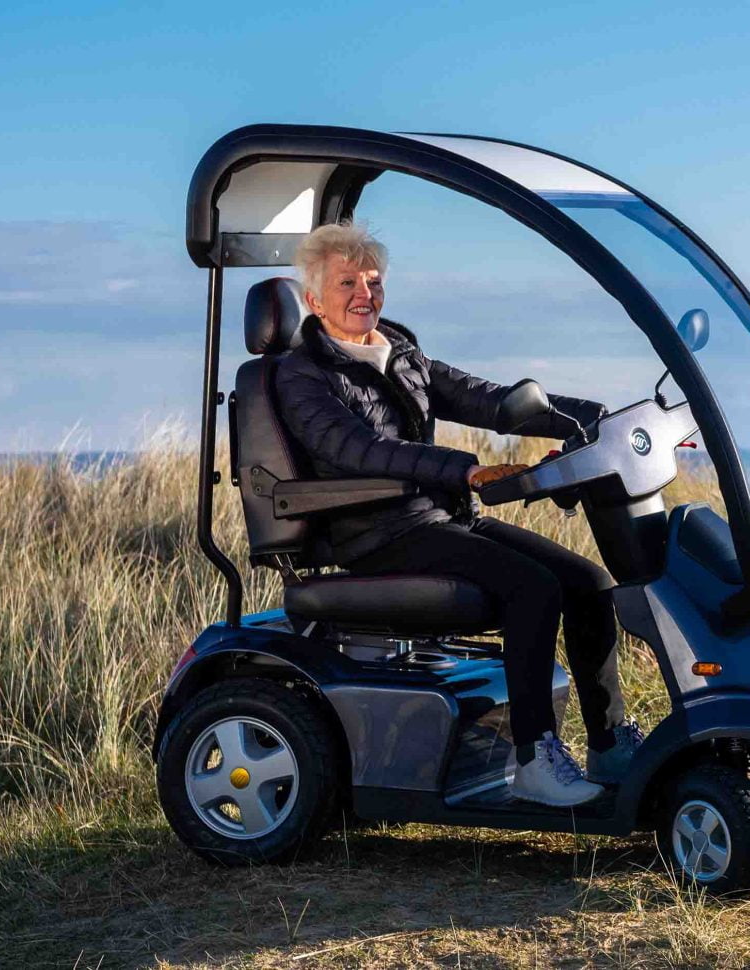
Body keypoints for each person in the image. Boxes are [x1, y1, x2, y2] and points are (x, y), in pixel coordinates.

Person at [273, 222, 643, 807]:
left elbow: (491, 401)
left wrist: (598, 419)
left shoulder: (401, 353)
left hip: (439, 518)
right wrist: (465, 471)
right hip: (375, 532)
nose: (364, 293)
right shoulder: (302, 375)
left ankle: (610, 744)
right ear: (315, 300)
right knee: (534, 588)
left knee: (591, 584)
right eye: (347, 282)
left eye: (373, 280)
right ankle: (534, 758)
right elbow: (359, 450)